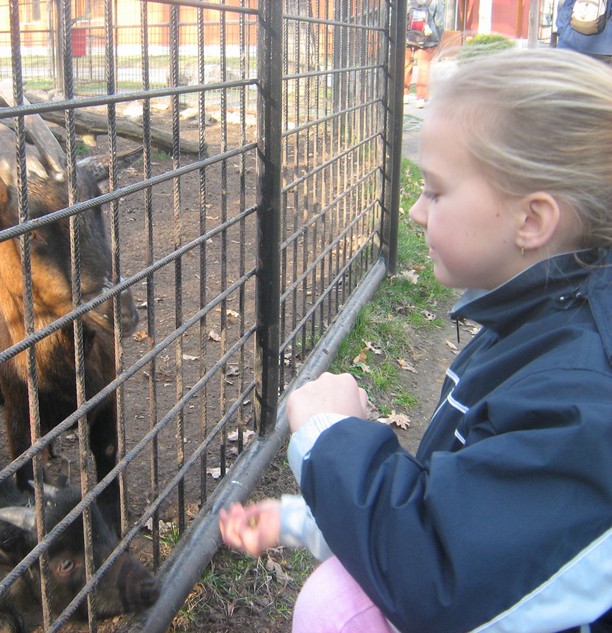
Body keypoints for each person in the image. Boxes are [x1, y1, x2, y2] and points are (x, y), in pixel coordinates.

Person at [220, 48, 612, 632]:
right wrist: (306, 520)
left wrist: (334, 440)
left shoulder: (580, 396)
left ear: (532, 221)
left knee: (335, 608)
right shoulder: (544, 330)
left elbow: (440, 577)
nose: (416, 211)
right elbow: (469, 516)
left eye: (435, 190)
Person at [404, 0, 444, 107]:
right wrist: (438, 38)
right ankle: (420, 99)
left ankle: (404, 95)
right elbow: (439, 22)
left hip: (408, 36)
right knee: (423, 68)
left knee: (406, 65)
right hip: (427, 38)